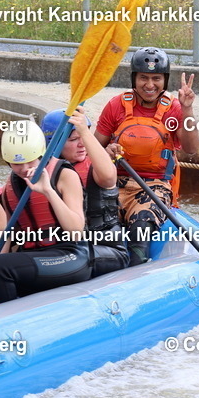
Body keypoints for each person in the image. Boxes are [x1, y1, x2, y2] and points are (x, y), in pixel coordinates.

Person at [94, 47, 199, 266]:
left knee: (141, 226)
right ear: (134, 78)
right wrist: (106, 151)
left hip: (154, 186)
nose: (149, 85)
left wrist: (187, 110)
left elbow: (191, 148)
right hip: (113, 183)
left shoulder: (174, 109)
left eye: (156, 78)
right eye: (143, 77)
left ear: (165, 80)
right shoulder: (116, 105)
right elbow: (92, 149)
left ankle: (136, 269)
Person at [0, 121, 90, 303]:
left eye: (29, 161)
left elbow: (76, 230)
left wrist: (48, 190)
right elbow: (8, 237)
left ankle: (8, 320)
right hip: (34, 256)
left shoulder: (64, 175)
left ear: (41, 153)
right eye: (17, 164)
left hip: (71, 256)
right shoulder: (10, 185)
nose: (24, 169)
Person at [41, 108, 129, 278]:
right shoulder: (41, 173)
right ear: (53, 143)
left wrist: (83, 131)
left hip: (105, 249)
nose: (82, 144)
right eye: (74, 139)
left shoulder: (95, 166)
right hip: (64, 249)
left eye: (84, 138)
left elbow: (109, 176)